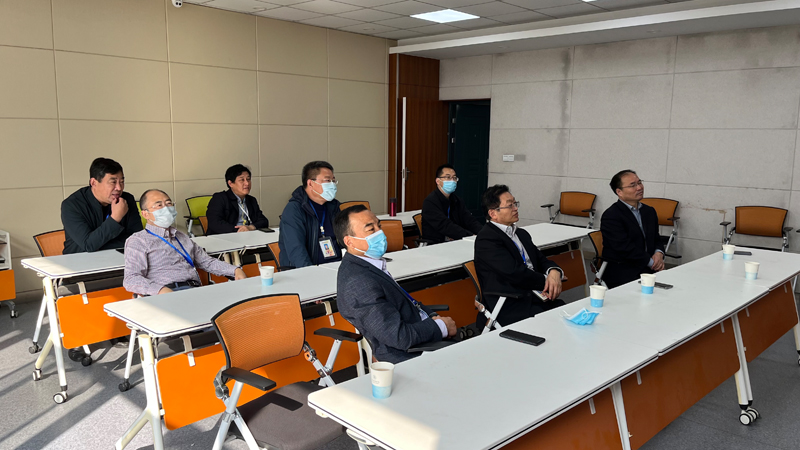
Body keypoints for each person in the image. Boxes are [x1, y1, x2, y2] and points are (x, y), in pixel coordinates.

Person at [334, 205, 457, 364]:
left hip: (422, 333)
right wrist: (441, 326)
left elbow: (407, 302)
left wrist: (432, 316)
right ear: (349, 241)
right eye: (371, 229)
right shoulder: (358, 281)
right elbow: (398, 337)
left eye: (379, 226)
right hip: (411, 354)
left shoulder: (369, 265)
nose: (380, 232)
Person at [123, 189, 245, 296]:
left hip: (193, 290)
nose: (166, 208)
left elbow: (206, 261)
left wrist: (235, 270)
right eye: (159, 205)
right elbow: (131, 279)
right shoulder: (138, 240)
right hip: (165, 293)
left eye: (168, 203)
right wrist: (160, 290)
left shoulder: (181, 236)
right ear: (145, 214)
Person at [474, 185, 564, 327]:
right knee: (554, 323)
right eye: (510, 205)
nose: (515, 208)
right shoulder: (487, 239)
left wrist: (554, 271)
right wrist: (547, 281)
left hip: (533, 295)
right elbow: (514, 273)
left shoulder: (521, 234)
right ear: (493, 213)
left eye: (515, 204)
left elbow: (541, 259)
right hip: (510, 303)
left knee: (565, 313)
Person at [61, 157, 143, 254]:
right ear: (93, 183)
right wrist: (115, 218)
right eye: (113, 182)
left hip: (118, 258)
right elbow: (88, 244)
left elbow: (138, 239)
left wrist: (99, 244)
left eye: (121, 182)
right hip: (79, 260)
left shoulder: (127, 200)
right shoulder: (72, 205)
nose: (119, 188)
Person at [600, 170, 664, 289]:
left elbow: (656, 238)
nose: (639, 187)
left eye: (639, 183)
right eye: (632, 185)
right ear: (619, 192)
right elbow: (624, 248)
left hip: (649, 267)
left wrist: (659, 253)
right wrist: (652, 263)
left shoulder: (649, 211)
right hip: (624, 269)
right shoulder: (611, 215)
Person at [278, 161, 342, 268]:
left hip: (337, 267)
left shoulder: (334, 207)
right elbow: (296, 251)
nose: (332, 185)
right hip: (308, 270)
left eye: (333, 181)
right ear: (311, 183)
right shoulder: (294, 210)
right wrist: (311, 274)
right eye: (327, 180)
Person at [421, 164, 482, 244]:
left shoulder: (457, 200)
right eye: (448, 177)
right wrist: (469, 236)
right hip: (436, 243)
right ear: (438, 181)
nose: (452, 181)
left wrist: (483, 233)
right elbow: (445, 226)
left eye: (454, 178)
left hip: (456, 240)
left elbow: (469, 220)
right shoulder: (430, 202)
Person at [206, 164, 269, 235]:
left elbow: (264, 221)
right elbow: (215, 223)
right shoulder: (220, 198)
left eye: (248, 179)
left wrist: (250, 227)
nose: (247, 183)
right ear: (230, 183)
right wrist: (239, 230)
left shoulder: (251, 200)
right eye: (242, 180)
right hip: (226, 237)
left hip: (248, 236)